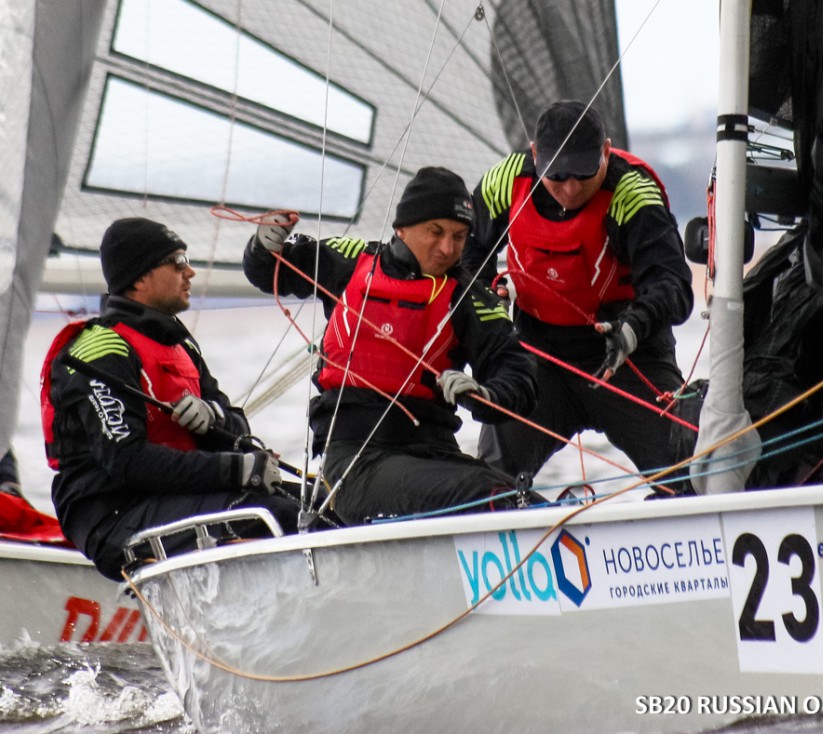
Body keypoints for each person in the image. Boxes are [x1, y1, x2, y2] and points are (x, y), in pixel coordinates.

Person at [243, 166, 538, 523]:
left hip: (435, 454)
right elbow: (268, 271)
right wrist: (263, 246)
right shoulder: (352, 261)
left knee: (519, 498)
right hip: (355, 463)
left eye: (459, 237)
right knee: (489, 494)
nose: (447, 248)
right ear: (402, 227)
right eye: (435, 232)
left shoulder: (471, 298)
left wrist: (484, 395)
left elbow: (518, 374)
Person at [43, 218, 298, 579]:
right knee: (275, 513)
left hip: (172, 499)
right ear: (139, 278)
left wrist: (213, 417)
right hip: (114, 515)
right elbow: (128, 460)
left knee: (316, 506)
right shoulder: (98, 352)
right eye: (178, 262)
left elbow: (238, 426)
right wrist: (236, 471)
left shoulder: (181, 345)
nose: (190, 272)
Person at [461, 100, 694, 493]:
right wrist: (487, 298)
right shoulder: (507, 182)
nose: (570, 189)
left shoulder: (633, 194)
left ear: (606, 151)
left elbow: (675, 286)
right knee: (490, 485)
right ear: (535, 155)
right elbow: (466, 253)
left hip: (626, 357)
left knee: (688, 477)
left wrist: (633, 327)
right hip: (540, 359)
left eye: (585, 173)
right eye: (557, 175)